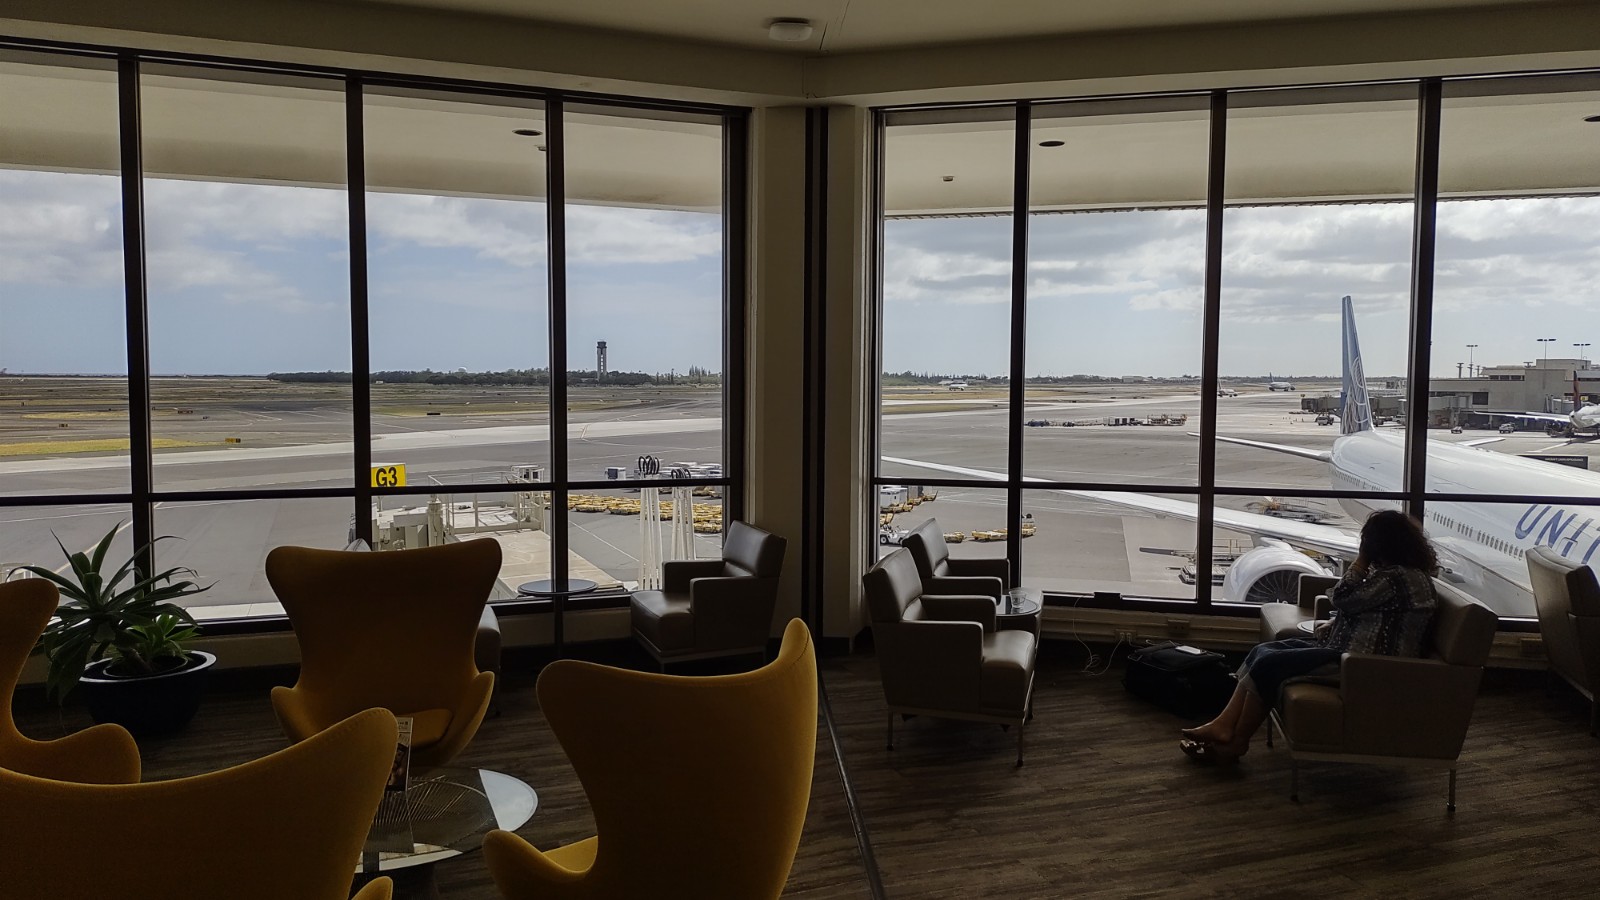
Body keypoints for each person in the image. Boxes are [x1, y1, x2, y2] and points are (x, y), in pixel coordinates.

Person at [1179, 509, 1438, 764]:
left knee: (1269, 664)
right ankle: (1223, 725)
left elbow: (1342, 597)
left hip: (1362, 664)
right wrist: (1336, 621)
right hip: (1350, 651)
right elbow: (1376, 611)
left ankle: (1238, 740)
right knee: (1264, 651)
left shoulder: (1397, 578)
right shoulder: (1405, 576)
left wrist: (1360, 561)